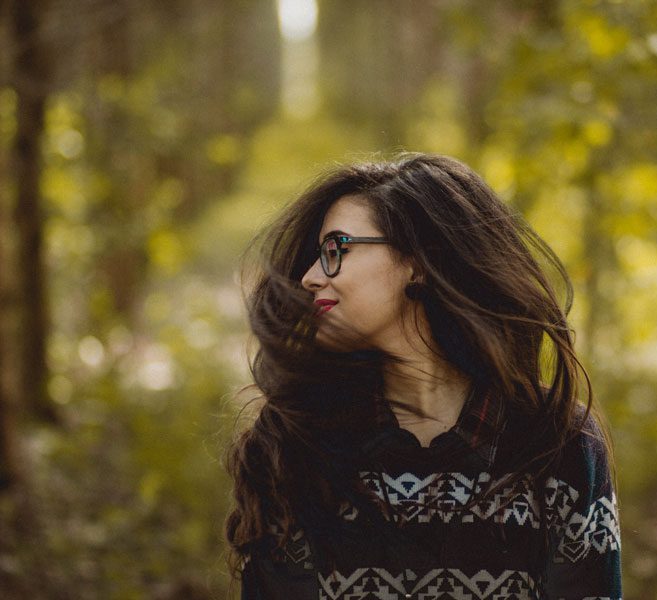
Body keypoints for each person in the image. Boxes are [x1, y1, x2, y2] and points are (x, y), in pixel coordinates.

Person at [225, 153, 622, 599]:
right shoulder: (292, 442)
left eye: (335, 249)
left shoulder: (559, 443)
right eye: (318, 256)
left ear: (416, 262)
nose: (311, 277)